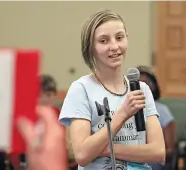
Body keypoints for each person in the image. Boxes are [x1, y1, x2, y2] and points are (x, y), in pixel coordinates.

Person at [58, 9, 165, 170]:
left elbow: (158, 152)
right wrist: (122, 114)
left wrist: (107, 149)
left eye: (119, 37)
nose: (114, 46)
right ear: (90, 48)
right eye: (103, 41)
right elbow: (82, 155)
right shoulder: (81, 89)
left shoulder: (142, 89)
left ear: (127, 39)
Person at [137, 65, 176, 170]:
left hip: (152, 159)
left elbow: (170, 150)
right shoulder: (124, 109)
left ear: (153, 86)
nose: (142, 87)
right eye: (138, 83)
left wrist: (147, 155)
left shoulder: (162, 110)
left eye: (146, 83)